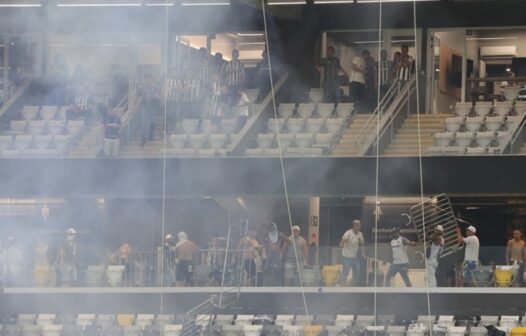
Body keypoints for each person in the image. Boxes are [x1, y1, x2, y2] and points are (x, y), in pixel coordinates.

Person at [339, 219, 365, 286]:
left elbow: (362, 244)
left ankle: (352, 286)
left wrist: (363, 253)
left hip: (354, 257)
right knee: (345, 272)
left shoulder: (360, 234)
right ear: (354, 225)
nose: (359, 227)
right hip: (346, 257)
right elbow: (342, 241)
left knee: (358, 272)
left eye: (360, 225)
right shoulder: (348, 233)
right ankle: (342, 285)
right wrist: (341, 244)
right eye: (358, 225)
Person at [137, 74, 160, 145]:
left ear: (152, 80)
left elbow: (159, 96)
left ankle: (151, 137)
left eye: (150, 79)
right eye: (147, 79)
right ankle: (143, 139)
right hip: (143, 107)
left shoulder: (156, 88)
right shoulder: (142, 88)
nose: (148, 81)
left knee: (152, 122)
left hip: (153, 107)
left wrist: (158, 97)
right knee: (143, 123)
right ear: (145, 80)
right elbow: (137, 96)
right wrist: (135, 103)